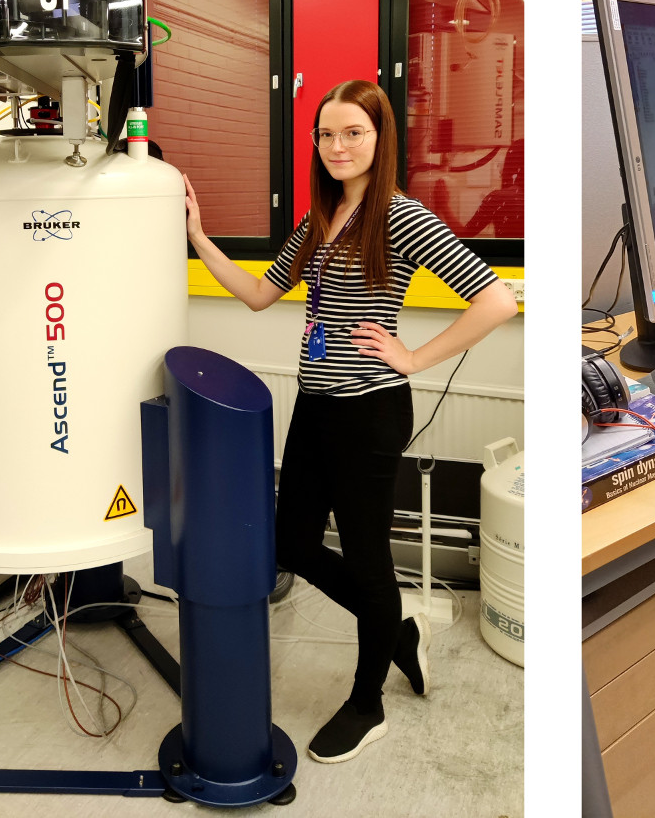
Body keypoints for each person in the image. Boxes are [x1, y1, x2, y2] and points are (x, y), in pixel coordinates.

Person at [184, 79, 518, 763]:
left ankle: (368, 703)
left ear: (379, 138)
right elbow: (256, 294)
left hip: (370, 410)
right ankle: (395, 631)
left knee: (367, 558)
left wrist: (414, 356)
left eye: (353, 133)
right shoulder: (320, 217)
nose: (338, 146)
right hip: (316, 404)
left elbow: (496, 300)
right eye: (327, 134)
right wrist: (196, 235)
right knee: (293, 543)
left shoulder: (399, 215)